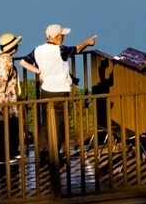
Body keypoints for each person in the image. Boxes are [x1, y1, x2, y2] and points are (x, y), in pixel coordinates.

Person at [19, 24, 97, 181]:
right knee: (59, 123)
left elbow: (22, 62)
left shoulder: (38, 49)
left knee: (45, 123)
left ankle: (43, 153)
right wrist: (88, 42)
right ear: (55, 37)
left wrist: (38, 71)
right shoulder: (60, 50)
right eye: (62, 35)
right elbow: (76, 49)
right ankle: (56, 154)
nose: (63, 37)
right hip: (60, 91)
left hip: (45, 89)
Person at [0, 32, 25, 170]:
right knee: (7, 127)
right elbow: (2, 78)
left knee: (6, 127)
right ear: (13, 48)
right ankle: (3, 157)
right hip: (6, 99)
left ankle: (12, 152)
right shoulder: (7, 60)